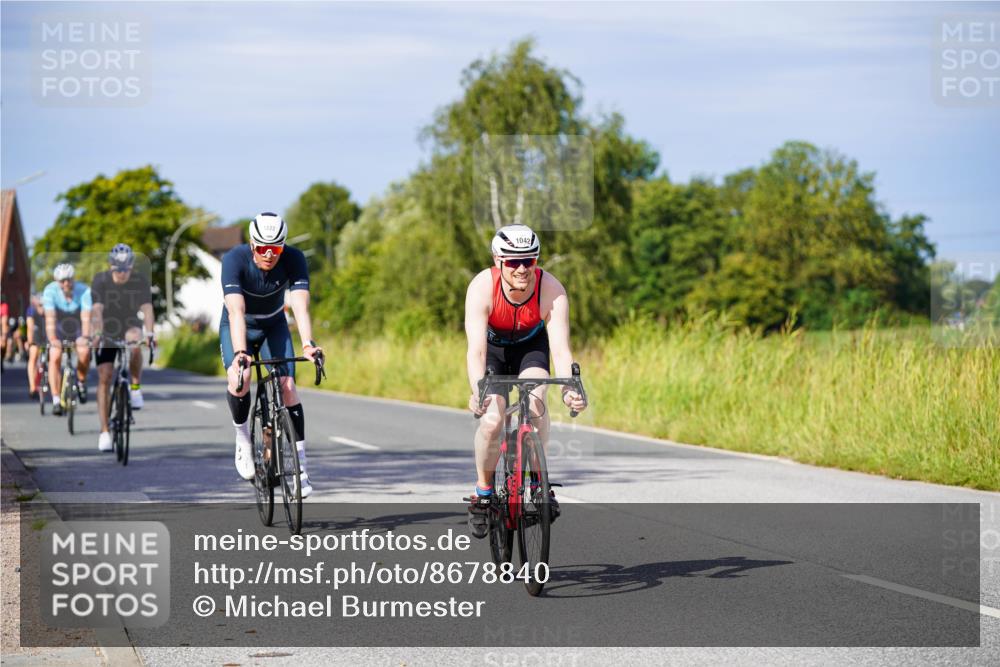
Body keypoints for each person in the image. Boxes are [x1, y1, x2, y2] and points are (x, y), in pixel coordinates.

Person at [463, 224, 588, 538]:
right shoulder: (481, 287)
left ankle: (537, 481)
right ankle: (483, 494)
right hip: (492, 352)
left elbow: (560, 349)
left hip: (529, 349)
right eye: (512, 262)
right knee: (492, 421)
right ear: (498, 261)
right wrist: (477, 389)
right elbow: (476, 350)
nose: (521, 268)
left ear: (537, 260)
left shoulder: (552, 289)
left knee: (536, 403)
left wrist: (571, 390)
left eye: (528, 261)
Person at [220, 212, 322, 497]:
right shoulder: (233, 259)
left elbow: (300, 306)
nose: (269, 254)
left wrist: (308, 345)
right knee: (240, 379)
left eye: (275, 249)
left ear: (283, 246)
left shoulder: (295, 258)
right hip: (239, 324)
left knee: (287, 386)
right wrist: (241, 353)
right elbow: (236, 311)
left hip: (274, 324)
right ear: (252, 244)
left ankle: (300, 469)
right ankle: (242, 440)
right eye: (263, 248)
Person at [91, 244, 155, 452]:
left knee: (135, 344)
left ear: (131, 266)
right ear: (110, 266)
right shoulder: (100, 280)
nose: (121, 273)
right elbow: (97, 311)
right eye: (117, 269)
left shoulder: (140, 281)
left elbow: (147, 309)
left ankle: (135, 388)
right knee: (105, 376)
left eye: (125, 269)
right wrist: (98, 334)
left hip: (129, 324)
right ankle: (104, 431)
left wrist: (150, 333)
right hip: (107, 327)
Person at [41, 263, 92, 416]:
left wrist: (85, 337)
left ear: (73, 279)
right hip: (58, 325)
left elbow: (86, 318)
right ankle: (56, 399)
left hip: (76, 324)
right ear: (57, 281)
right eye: (62, 281)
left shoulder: (84, 291)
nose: (66, 283)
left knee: (84, 352)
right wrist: (53, 339)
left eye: (69, 279)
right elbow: (50, 318)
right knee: (55, 355)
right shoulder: (50, 291)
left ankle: (81, 382)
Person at [25, 294, 46, 399]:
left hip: (46, 335)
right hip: (36, 335)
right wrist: (29, 342)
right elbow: (30, 327)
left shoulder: (48, 310)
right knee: (33, 357)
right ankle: (32, 386)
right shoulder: (31, 311)